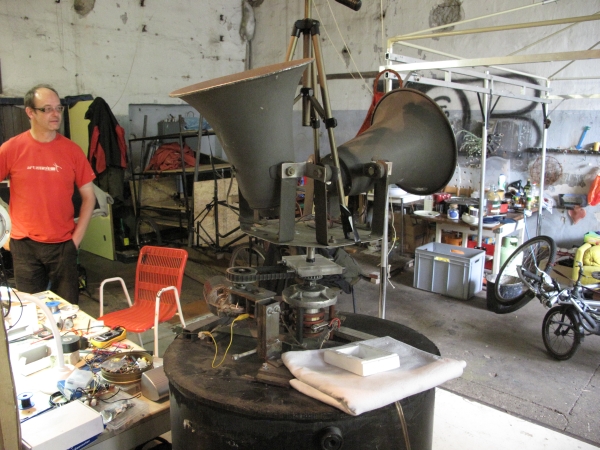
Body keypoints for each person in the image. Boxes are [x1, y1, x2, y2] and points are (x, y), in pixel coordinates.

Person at [0, 84, 96, 304]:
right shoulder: (11, 149)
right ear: (30, 112)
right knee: (31, 311)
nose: (55, 114)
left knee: (68, 311)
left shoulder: (72, 151)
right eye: (47, 109)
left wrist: (75, 241)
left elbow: (89, 197)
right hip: (24, 245)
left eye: (58, 108)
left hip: (63, 245)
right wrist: (4, 235)